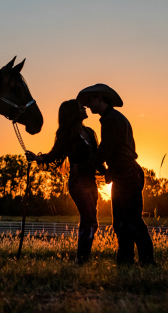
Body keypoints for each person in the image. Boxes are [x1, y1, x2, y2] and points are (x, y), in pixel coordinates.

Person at [77, 84, 156, 266]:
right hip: (124, 173)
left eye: (90, 100)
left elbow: (106, 150)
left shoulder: (110, 120)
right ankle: (127, 261)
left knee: (131, 221)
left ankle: (146, 261)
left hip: (125, 174)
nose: (88, 105)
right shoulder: (115, 118)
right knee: (122, 222)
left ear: (100, 98)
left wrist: (86, 165)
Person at [25, 99, 104, 264]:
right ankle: (82, 259)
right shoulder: (67, 134)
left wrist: (109, 174)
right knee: (90, 220)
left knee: (89, 220)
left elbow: (97, 158)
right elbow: (55, 154)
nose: (84, 107)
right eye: (80, 107)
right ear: (74, 113)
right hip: (78, 182)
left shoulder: (89, 132)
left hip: (90, 181)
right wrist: (37, 158)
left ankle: (83, 258)